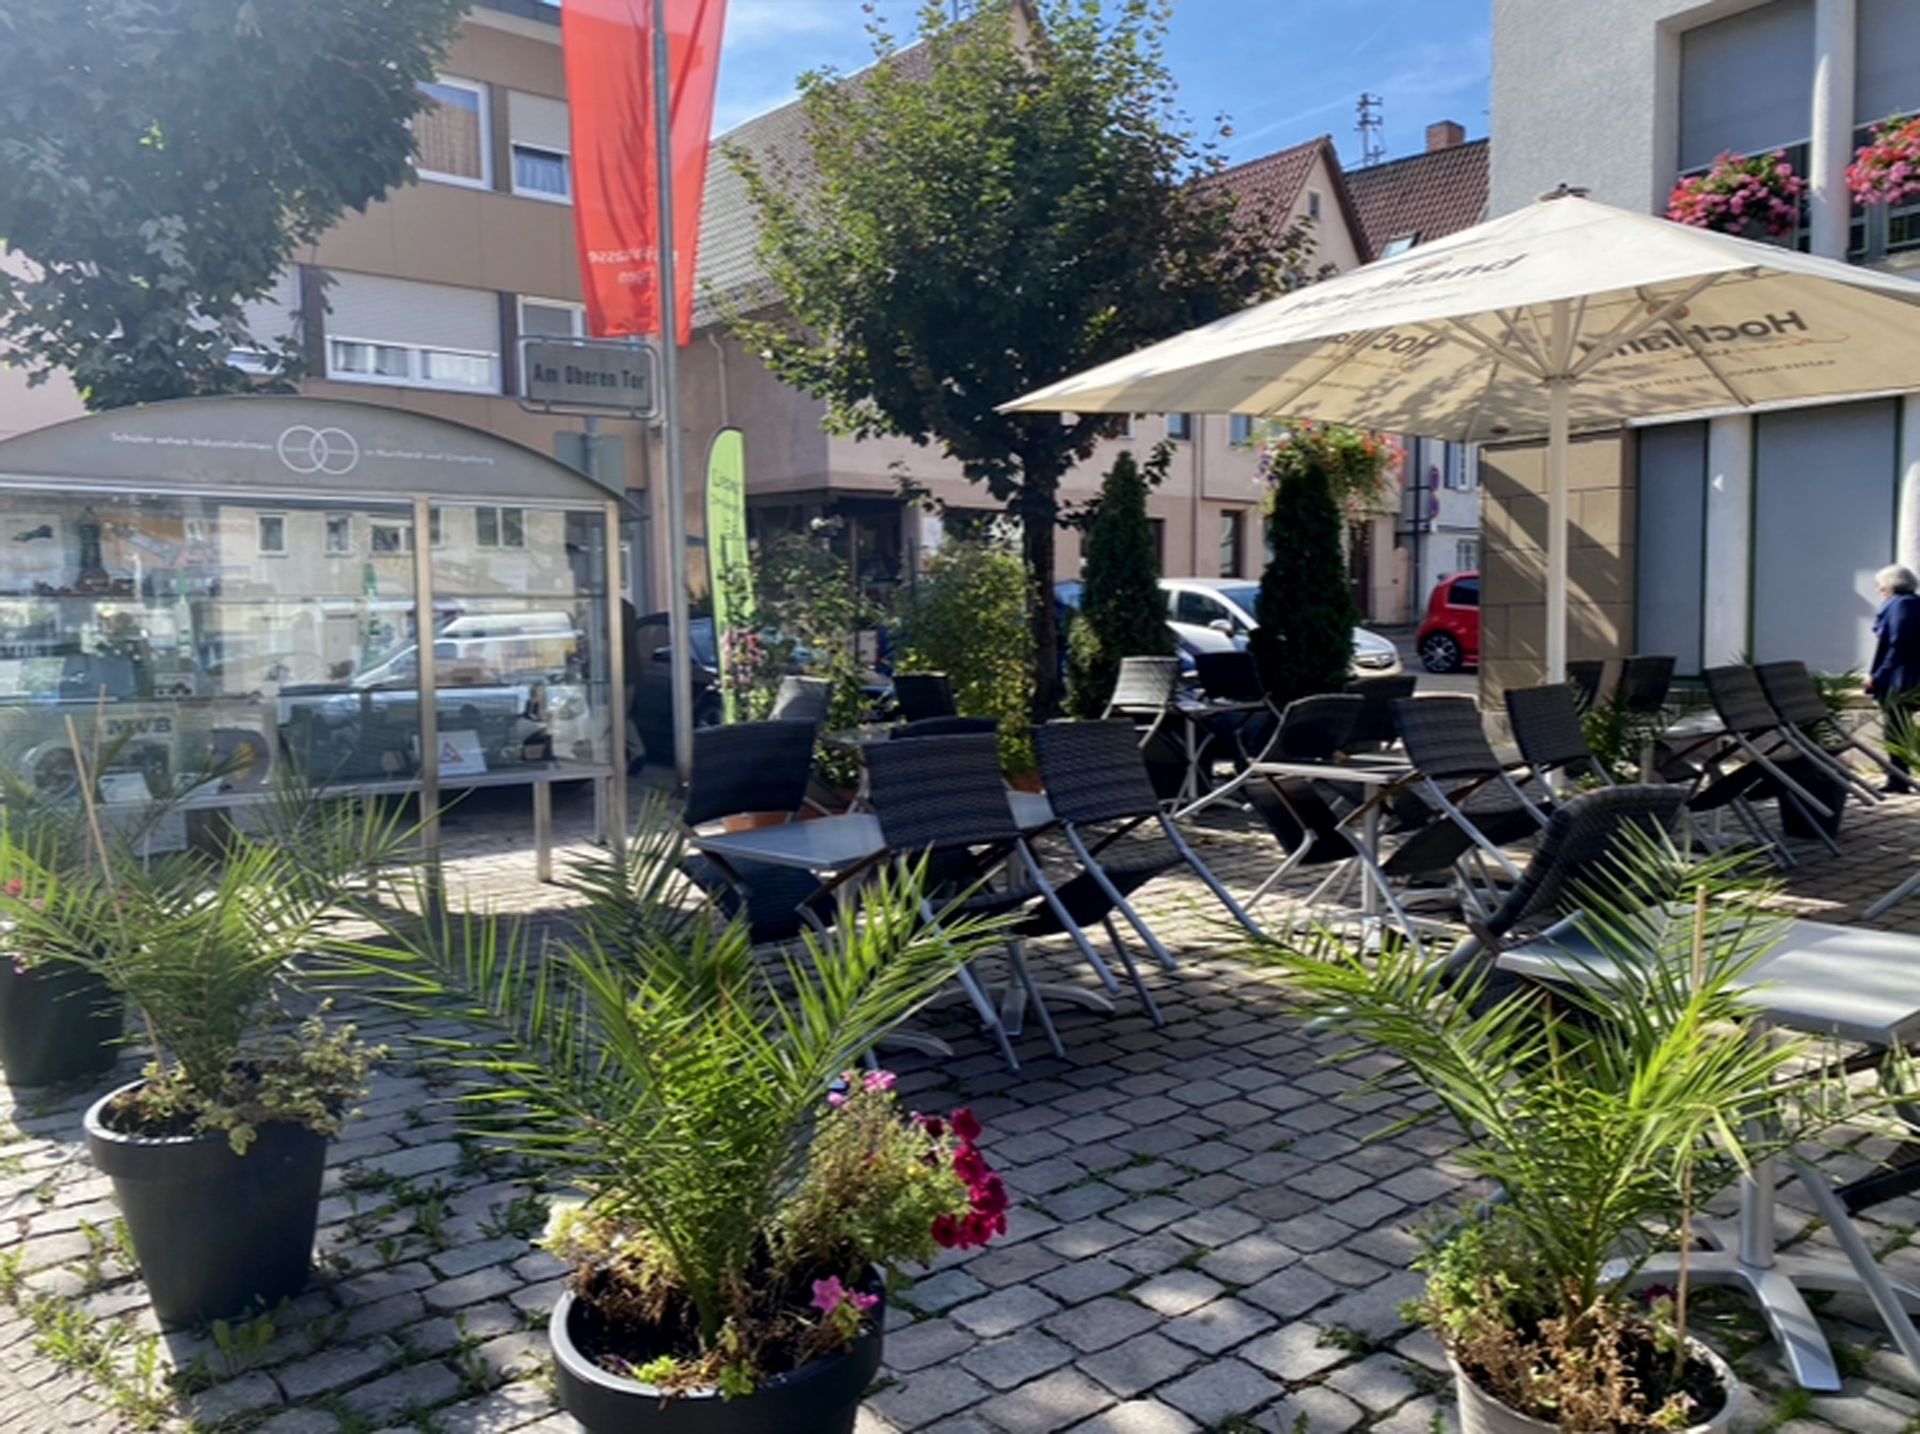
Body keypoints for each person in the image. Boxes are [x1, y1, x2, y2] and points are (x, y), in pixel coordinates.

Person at [1867, 564, 1920, 793]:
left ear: (1890, 586)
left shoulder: (1901, 606)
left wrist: (1878, 676)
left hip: (1901, 679)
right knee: (1900, 727)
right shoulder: (1913, 604)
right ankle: (1899, 777)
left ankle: (1898, 779)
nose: (1879, 590)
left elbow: (1897, 644)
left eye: (1880, 586)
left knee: (1896, 728)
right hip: (1909, 675)